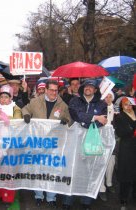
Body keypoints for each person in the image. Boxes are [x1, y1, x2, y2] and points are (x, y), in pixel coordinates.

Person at [22, 79, 71, 208]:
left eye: (56, 90)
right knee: (37, 170)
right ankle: (38, 195)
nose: (54, 93)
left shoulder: (63, 105)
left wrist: (66, 120)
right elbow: (25, 109)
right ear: (46, 90)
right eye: (51, 90)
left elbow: (70, 120)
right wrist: (26, 115)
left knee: (52, 171)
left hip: (54, 143)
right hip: (37, 142)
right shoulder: (35, 101)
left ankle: (51, 197)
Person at [64, 79, 107, 210]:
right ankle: (68, 200)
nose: (88, 88)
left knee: (90, 170)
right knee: (72, 169)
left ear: (95, 90)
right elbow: (76, 114)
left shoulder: (101, 104)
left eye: (91, 87)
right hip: (75, 141)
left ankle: (86, 201)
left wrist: (87, 120)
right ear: (83, 89)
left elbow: (102, 121)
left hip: (92, 140)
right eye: (86, 86)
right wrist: (94, 118)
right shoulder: (74, 101)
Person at [0, 84, 22, 205]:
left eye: (6, 97)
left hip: (11, 142)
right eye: (2, 97)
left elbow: (18, 121)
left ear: (10, 98)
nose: (4, 99)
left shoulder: (15, 108)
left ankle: (8, 197)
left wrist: (7, 119)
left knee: (9, 170)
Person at [114, 97, 136, 210]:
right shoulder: (119, 117)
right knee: (126, 174)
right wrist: (133, 130)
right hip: (126, 149)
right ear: (122, 106)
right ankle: (123, 198)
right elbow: (120, 132)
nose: (128, 106)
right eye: (126, 104)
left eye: (130, 104)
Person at [98, 91, 116, 202]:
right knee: (100, 163)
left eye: (110, 97)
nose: (108, 98)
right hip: (100, 139)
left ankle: (109, 183)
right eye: (106, 96)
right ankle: (101, 188)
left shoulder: (117, 110)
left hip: (112, 139)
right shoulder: (99, 109)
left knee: (111, 162)